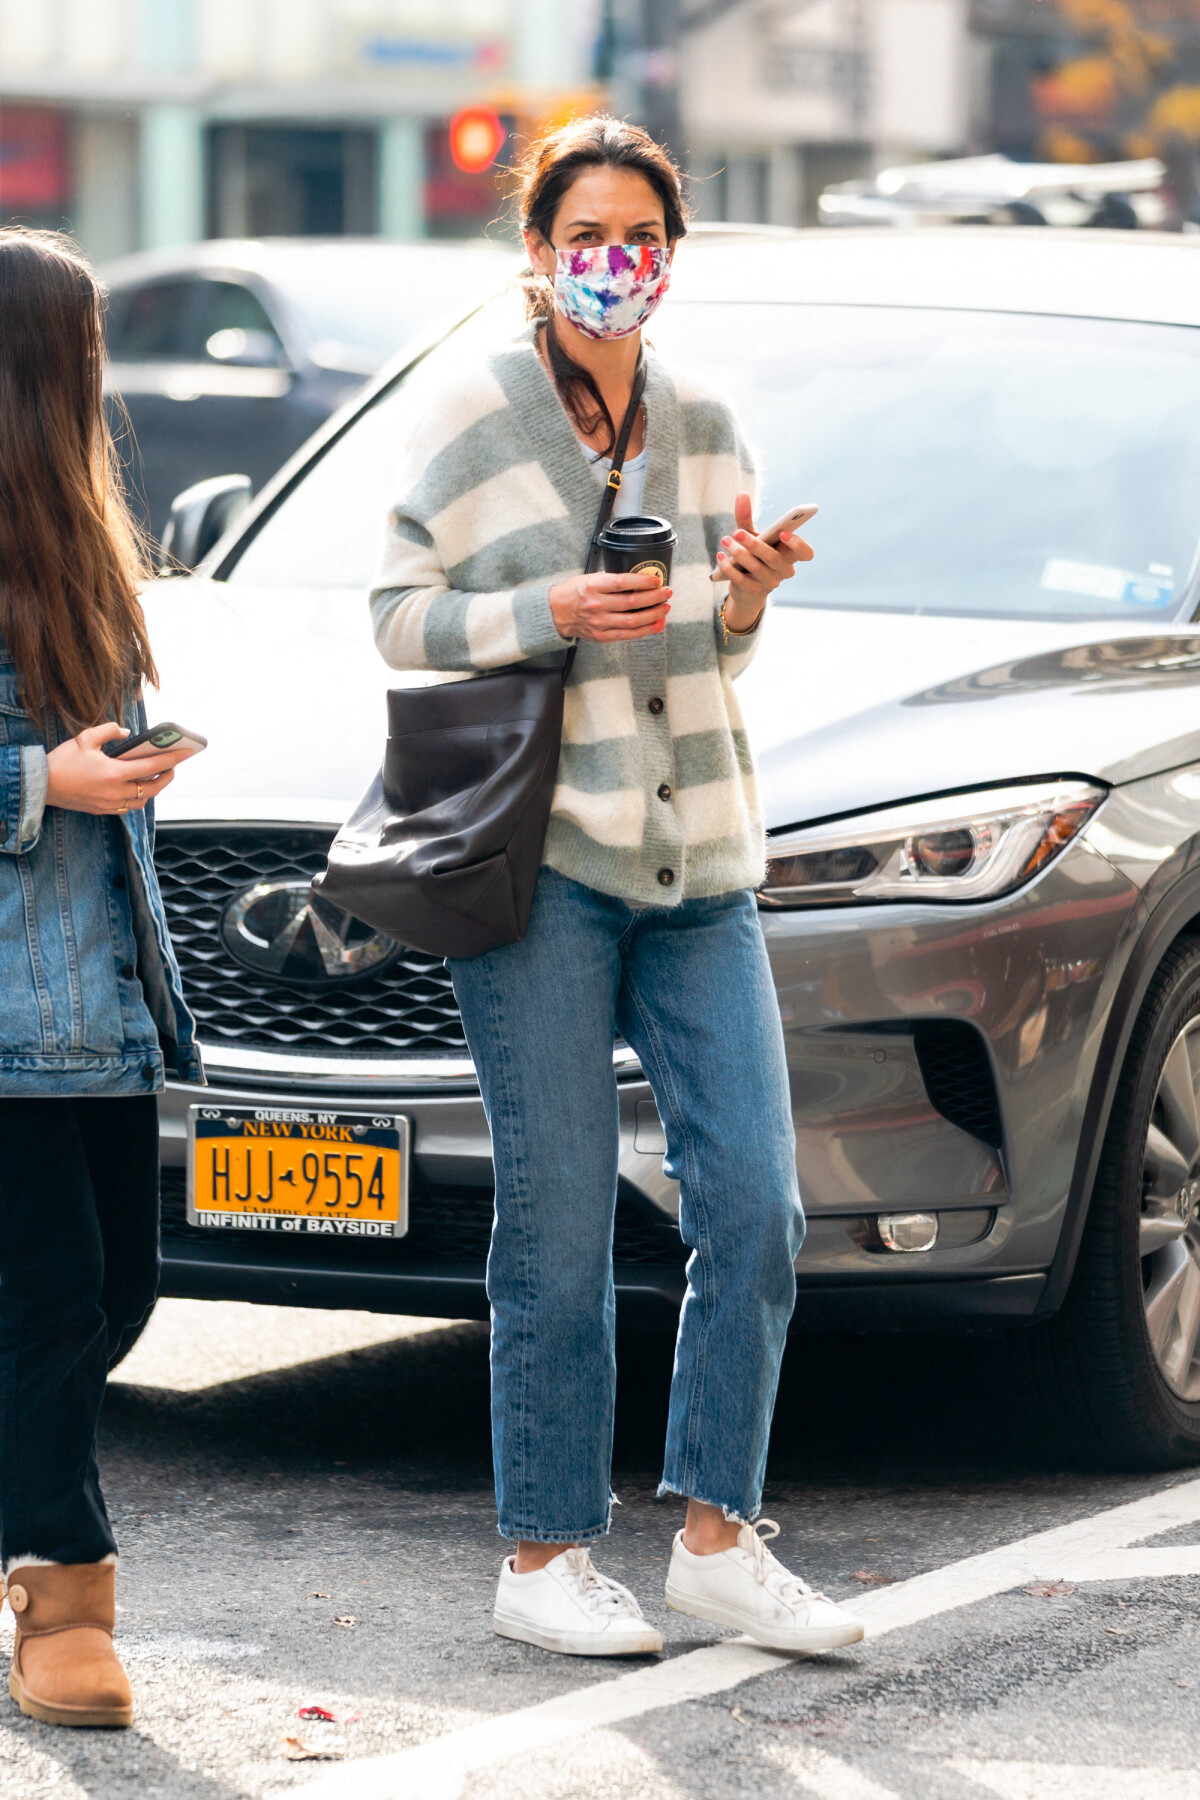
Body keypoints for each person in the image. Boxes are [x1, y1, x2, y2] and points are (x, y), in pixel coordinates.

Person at [370, 116, 864, 1657]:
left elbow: (703, 643)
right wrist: (547, 606)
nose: (612, 262)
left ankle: (720, 1536)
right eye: (583, 235)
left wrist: (744, 599)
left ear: (671, 254)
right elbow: (399, 619)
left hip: (703, 856)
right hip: (551, 869)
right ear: (534, 249)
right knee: (561, 1223)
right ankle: (543, 1560)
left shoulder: (707, 416)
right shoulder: (468, 414)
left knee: (758, 1208)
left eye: (639, 238)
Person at [0, 228, 202, 1726]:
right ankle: (64, 1598)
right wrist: (39, 782)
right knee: (61, 1298)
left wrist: (123, 769)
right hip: (6, 1015)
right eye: (88, 351)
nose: (103, 379)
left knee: (123, 1289)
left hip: (96, 1009)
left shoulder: (74, 536)